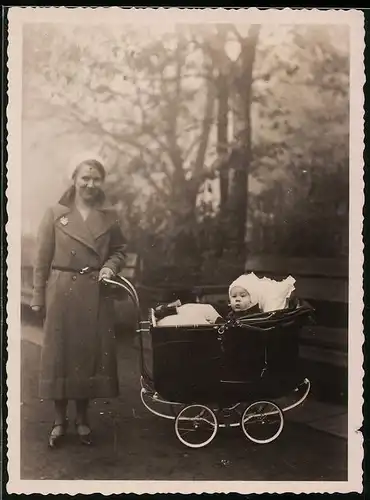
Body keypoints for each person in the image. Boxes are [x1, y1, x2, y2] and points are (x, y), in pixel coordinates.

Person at [31, 153, 127, 448]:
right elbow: (42, 258)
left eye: (96, 178)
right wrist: (37, 296)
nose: (90, 183)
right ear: (73, 178)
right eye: (84, 177)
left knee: (87, 356)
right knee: (60, 356)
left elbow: (120, 249)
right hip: (61, 291)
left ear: (102, 182)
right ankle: (59, 421)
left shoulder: (110, 216)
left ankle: (82, 419)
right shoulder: (55, 212)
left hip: (93, 291)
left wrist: (110, 266)